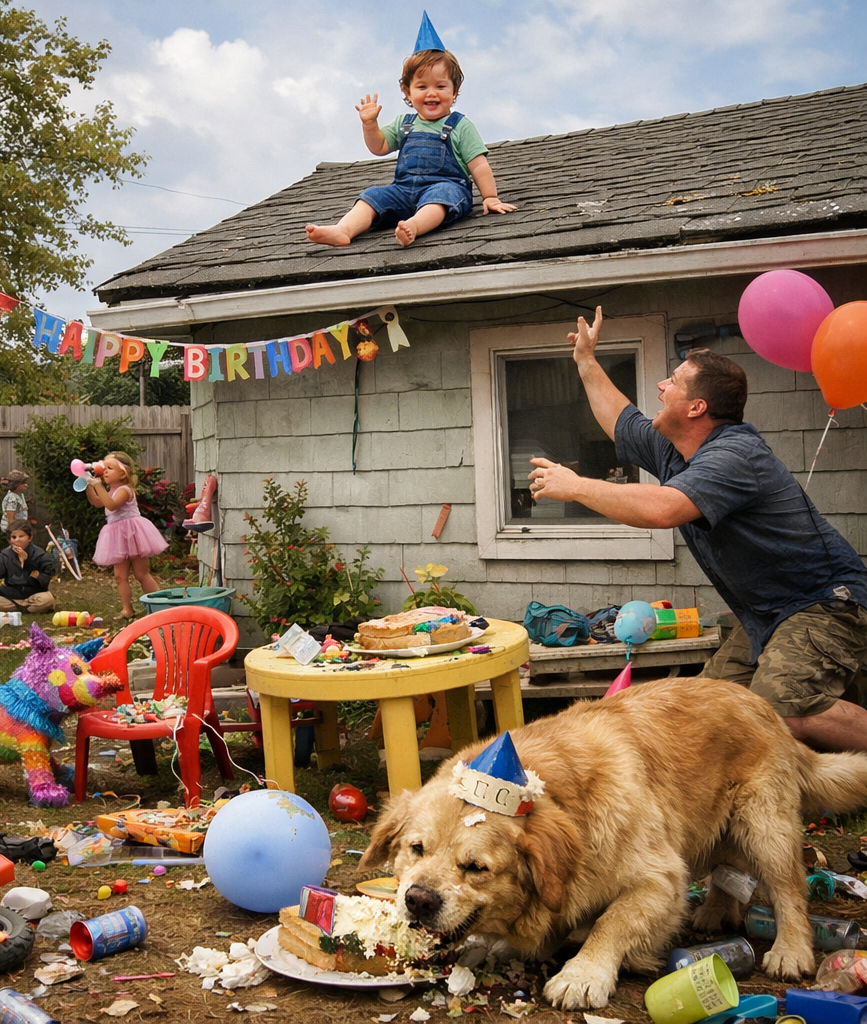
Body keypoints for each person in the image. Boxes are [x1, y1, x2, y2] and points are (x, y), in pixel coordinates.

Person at [527, 306, 867, 753]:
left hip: (823, 604)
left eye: (672, 381)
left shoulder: (735, 456)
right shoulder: (675, 448)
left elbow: (665, 509)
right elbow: (620, 420)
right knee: (702, 716)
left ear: (696, 407)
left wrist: (576, 487)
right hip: (764, 615)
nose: (660, 386)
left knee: (784, 706)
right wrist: (587, 361)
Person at [305, 17, 515, 248]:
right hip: (403, 191)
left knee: (440, 198)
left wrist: (490, 197)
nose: (431, 93)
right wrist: (370, 125)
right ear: (408, 91)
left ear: (455, 92)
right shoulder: (404, 124)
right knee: (372, 196)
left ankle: (413, 226)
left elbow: (478, 165)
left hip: (446, 188)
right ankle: (343, 230)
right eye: (422, 87)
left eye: (441, 86)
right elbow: (379, 147)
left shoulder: (460, 125)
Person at [86, 451, 167, 620]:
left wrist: (98, 485)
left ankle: (160, 605)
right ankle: (127, 609)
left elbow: (112, 505)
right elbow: (97, 502)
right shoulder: (111, 490)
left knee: (141, 574)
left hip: (133, 533)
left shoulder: (124, 490)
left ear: (123, 473)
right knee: (119, 576)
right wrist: (88, 484)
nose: (105, 471)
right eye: (104, 467)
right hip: (116, 535)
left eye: (110, 468)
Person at [0, 520, 55, 613]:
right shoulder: (5, 554)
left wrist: (27, 561)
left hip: (34, 593)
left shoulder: (40, 554)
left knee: (48, 600)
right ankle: (27, 608)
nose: (17, 540)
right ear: (9, 539)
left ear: (30, 538)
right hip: (13, 594)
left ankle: (19, 608)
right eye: (14, 537)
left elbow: (46, 579)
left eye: (21, 536)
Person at [0, 470, 30, 535]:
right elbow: (11, 518)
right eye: (23, 483)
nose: (26, 485)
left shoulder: (20, 495)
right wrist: (13, 533)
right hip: (14, 531)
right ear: (15, 484)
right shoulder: (12, 498)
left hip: (19, 528)